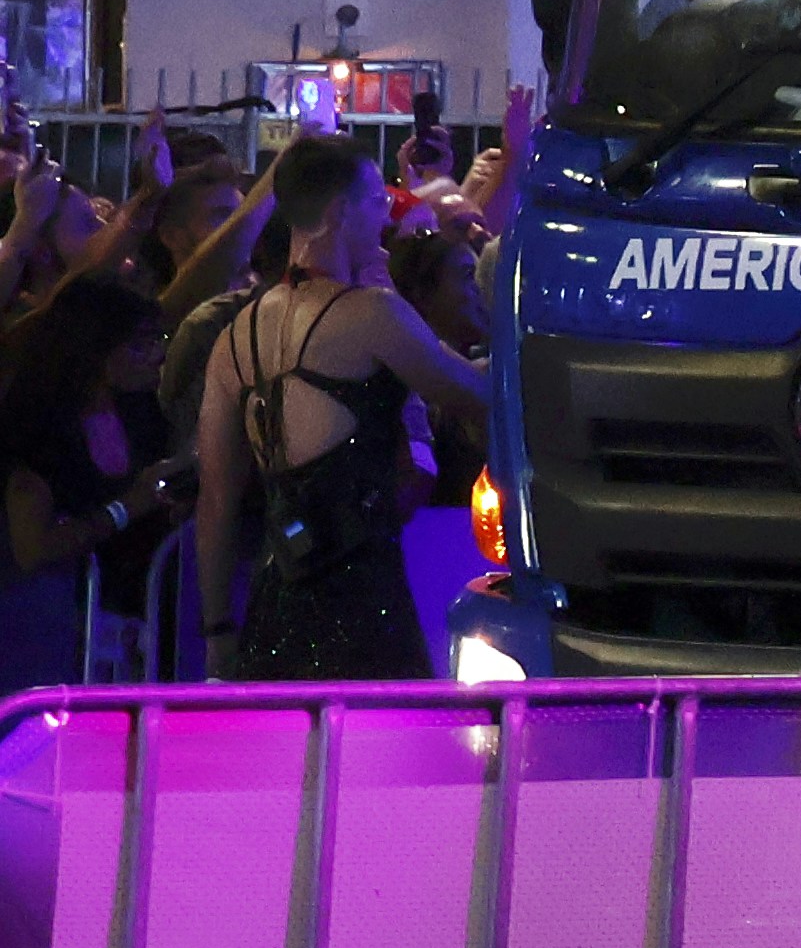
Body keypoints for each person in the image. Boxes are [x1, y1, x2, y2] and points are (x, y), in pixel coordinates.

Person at [188, 137, 488, 681]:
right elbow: (473, 393)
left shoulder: (234, 338)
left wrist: (217, 631)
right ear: (338, 212)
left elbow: (215, 503)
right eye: (378, 200)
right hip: (362, 610)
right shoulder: (370, 313)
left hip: (272, 610)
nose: (386, 217)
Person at [0, 278, 175, 688]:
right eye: (140, 344)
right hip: (41, 635)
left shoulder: (143, 412)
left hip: (123, 632)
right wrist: (126, 509)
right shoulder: (38, 429)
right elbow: (33, 547)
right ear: (94, 349)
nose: (157, 354)